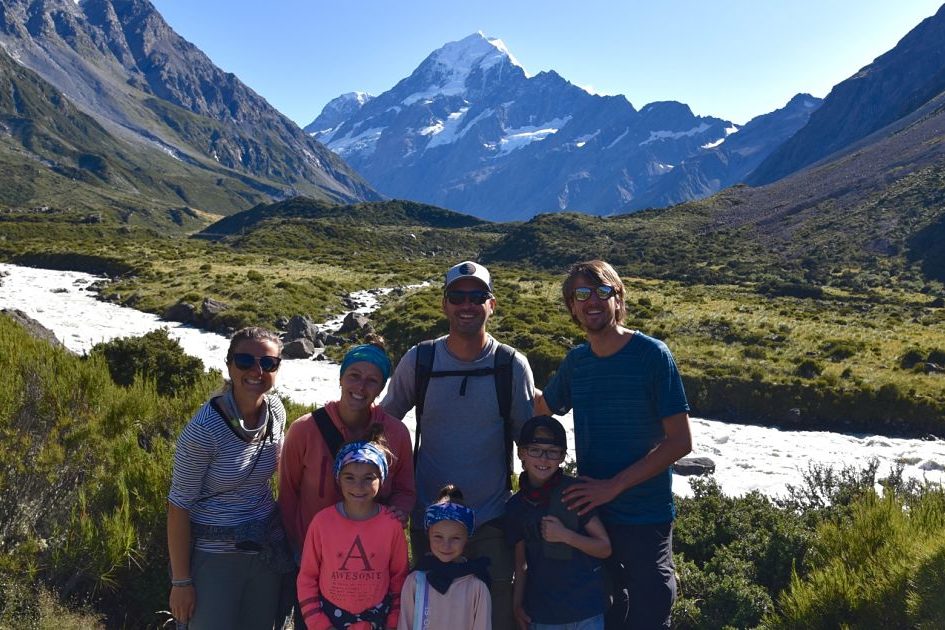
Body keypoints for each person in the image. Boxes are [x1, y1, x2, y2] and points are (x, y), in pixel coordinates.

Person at [534, 260, 692, 630]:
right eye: (581, 294)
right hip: (593, 519)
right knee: (605, 616)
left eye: (602, 292)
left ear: (617, 298)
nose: (592, 301)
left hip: (644, 516)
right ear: (572, 306)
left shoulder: (653, 356)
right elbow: (542, 409)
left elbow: (681, 441)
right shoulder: (577, 362)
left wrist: (613, 487)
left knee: (650, 612)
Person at [381, 260, 536, 630]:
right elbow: (384, 427)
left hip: (490, 523)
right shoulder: (420, 360)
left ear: (491, 304)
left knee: (495, 620)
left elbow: (529, 445)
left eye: (477, 296)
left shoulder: (511, 365)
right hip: (430, 524)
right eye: (458, 296)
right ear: (444, 304)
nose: (467, 304)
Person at [279, 338, 415, 626]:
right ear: (341, 377)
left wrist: (399, 512)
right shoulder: (305, 429)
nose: (360, 387)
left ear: (381, 388)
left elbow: (405, 489)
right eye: (354, 375)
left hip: (371, 574)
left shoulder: (396, 433)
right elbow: (289, 494)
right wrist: (299, 550)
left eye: (372, 380)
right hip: (315, 566)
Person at [167, 326, 291, 629]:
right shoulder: (205, 430)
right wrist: (181, 582)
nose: (256, 371)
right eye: (245, 361)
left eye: (267, 363)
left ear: (277, 369)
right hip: (215, 557)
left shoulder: (275, 410)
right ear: (229, 364)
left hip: (265, 554)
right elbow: (178, 506)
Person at [507, 415, 611, 630]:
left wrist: (565, 535)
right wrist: (517, 606)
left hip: (586, 611)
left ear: (562, 457)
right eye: (535, 450)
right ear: (521, 453)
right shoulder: (515, 506)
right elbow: (520, 564)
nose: (544, 459)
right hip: (542, 614)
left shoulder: (575, 492)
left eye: (553, 452)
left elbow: (604, 547)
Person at [297, 431, 409, 630]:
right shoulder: (322, 523)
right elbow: (307, 577)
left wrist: (393, 622)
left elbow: (399, 579)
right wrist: (319, 624)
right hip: (329, 621)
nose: (359, 486)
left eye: (368, 478)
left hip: (378, 622)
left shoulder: (392, 525)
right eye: (350, 477)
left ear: (381, 480)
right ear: (338, 478)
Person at [397, 485, 492, 630]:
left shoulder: (477, 586)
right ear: (428, 535)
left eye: (455, 538)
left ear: (467, 539)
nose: (445, 545)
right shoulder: (415, 581)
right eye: (438, 537)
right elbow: (405, 624)